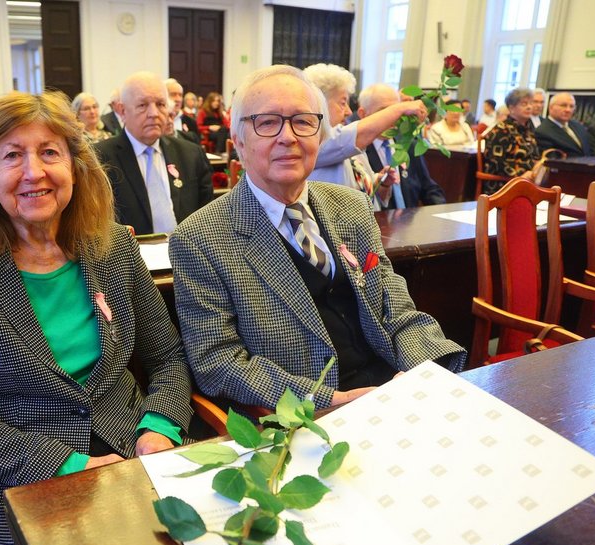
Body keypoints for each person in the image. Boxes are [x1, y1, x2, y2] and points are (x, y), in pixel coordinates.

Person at [0, 90, 193, 545]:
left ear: (74, 165)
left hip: (135, 442)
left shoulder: (112, 244)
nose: (34, 172)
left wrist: (159, 428)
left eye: (50, 152)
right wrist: (68, 465)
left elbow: (168, 356)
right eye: (13, 156)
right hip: (32, 468)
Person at [168, 65, 465, 411]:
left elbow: (395, 306)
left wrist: (429, 371)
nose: (288, 137)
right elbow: (218, 362)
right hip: (302, 414)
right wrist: (328, 401)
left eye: (303, 121)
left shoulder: (352, 206)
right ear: (239, 142)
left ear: (320, 137)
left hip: (393, 390)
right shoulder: (199, 238)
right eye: (267, 122)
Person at [95, 71, 213, 234]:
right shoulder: (99, 159)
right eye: (143, 105)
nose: (154, 114)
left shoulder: (191, 155)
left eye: (160, 104)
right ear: (122, 111)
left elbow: (206, 216)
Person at [302, 63, 427, 205]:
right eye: (343, 103)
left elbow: (360, 184)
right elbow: (356, 135)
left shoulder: (348, 141)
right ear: (320, 104)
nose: (349, 111)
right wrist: (400, 109)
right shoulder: (314, 140)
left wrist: (380, 182)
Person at [361, 84, 446, 209]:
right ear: (363, 114)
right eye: (383, 111)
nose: (391, 118)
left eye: (395, 110)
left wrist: (442, 213)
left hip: (410, 223)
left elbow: (428, 187)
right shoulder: (357, 152)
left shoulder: (408, 145)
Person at [481, 88, 540, 195]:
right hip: (504, 183)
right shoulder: (501, 130)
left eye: (531, 103)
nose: (529, 107)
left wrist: (536, 169)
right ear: (511, 108)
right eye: (524, 104)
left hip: (528, 181)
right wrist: (519, 177)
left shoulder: (529, 128)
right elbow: (497, 162)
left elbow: (535, 155)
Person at [534, 92, 592, 157]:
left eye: (571, 106)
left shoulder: (579, 127)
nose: (568, 110)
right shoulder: (543, 131)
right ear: (551, 107)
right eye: (563, 105)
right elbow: (552, 161)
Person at [164, 78, 200, 144]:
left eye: (180, 95)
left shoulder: (190, 122)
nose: (178, 99)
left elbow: (197, 146)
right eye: (173, 94)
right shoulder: (156, 120)